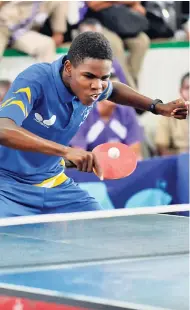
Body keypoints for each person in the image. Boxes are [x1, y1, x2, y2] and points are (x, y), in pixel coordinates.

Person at [0, 31, 188, 217]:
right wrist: (66, 151)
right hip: (7, 185)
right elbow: (3, 129)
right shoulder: (36, 79)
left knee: (98, 226)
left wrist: (157, 106)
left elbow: (114, 90)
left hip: (53, 183)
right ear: (68, 68)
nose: (97, 86)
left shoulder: (91, 87)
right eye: (89, 76)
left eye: (103, 77)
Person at [70, 75, 143, 160]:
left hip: (121, 166)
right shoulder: (82, 113)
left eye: (117, 91)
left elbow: (135, 151)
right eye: (108, 90)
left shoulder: (127, 111)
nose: (113, 94)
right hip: (92, 168)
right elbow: (79, 154)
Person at [0, 1, 68, 63]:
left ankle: (46, 75)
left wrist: (58, 32)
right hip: (2, 27)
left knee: (47, 44)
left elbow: (58, 35)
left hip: (22, 33)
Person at [155, 73, 189, 156]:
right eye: (188, 88)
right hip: (180, 161)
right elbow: (161, 149)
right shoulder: (170, 113)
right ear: (181, 91)